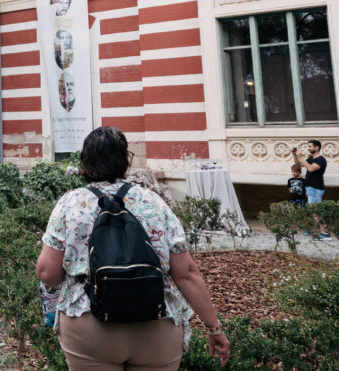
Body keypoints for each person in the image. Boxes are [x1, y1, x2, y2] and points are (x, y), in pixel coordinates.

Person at [35, 126, 230, 370]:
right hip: (157, 323)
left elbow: (47, 272)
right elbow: (186, 273)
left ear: (84, 162)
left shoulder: (70, 203)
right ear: (126, 161)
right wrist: (214, 328)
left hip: (89, 324)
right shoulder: (153, 201)